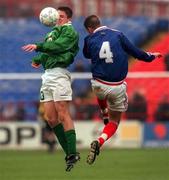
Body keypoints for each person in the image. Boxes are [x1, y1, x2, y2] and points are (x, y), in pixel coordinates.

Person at [83, 15, 162, 165]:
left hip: (98, 85)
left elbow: (86, 54)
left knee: (99, 88)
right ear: (100, 23)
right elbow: (137, 53)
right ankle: (99, 141)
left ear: (89, 29)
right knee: (114, 121)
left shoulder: (89, 39)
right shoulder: (118, 35)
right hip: (116, 87)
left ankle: (103, 111)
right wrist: (152, 56)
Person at [22, 6, 80, 172]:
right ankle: (69, 153)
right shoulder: (52, 33)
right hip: (47, 75)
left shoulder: (70, 32)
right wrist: (39, 59)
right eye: (56, 16)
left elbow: (58, 47)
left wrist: (38, 47)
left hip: (60, 74)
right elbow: (50, 48)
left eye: (60, 16)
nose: (57, 18)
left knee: (62, 113)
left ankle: (72, 153)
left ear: (68, 18)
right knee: (50, 118)